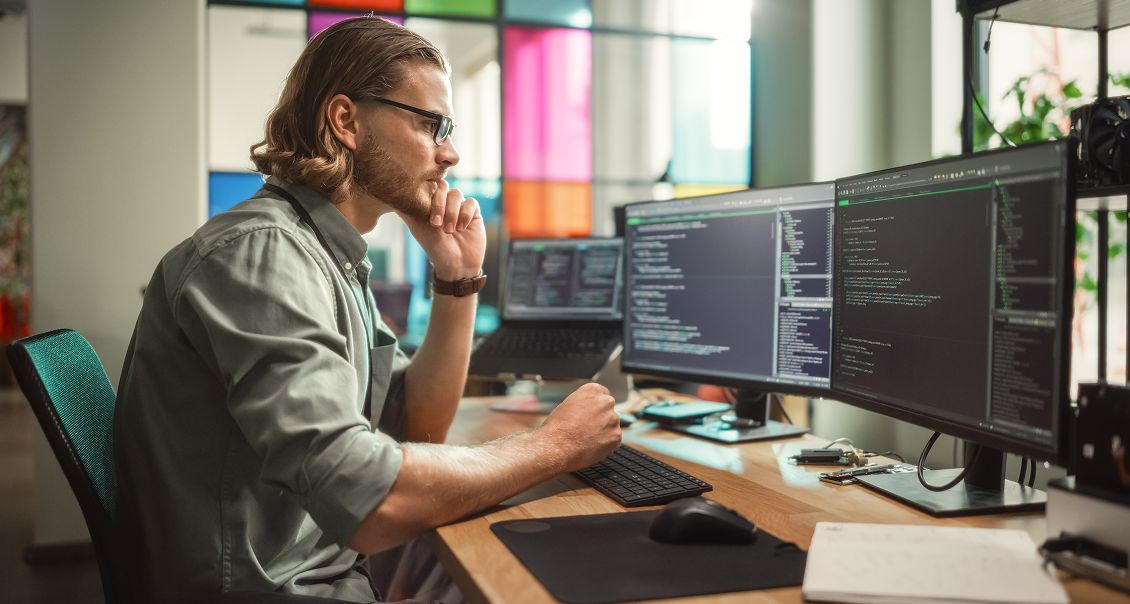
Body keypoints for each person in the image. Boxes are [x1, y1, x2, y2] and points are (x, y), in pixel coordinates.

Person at [113, 16, 621, 603]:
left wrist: (456, 279)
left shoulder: (326, 256)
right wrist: (552, 445)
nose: (450, 153)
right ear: (346, 121)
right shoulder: (262, 255)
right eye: (432, 124)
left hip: (324, 565)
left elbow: (417, 422)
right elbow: (366, 500)